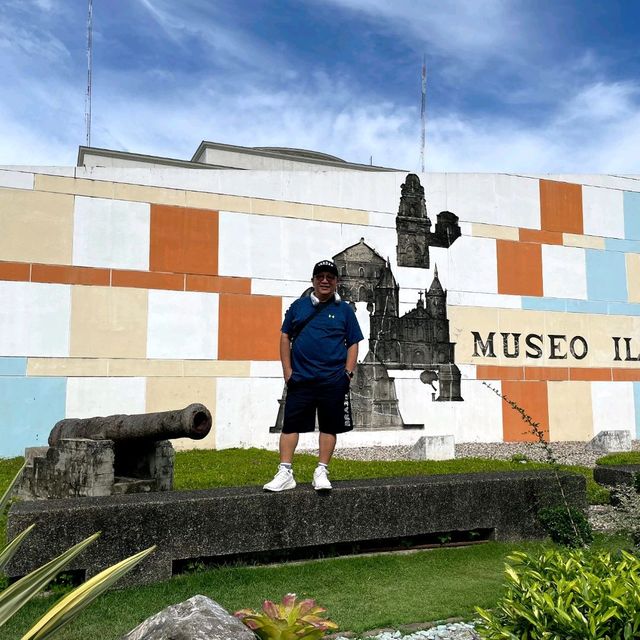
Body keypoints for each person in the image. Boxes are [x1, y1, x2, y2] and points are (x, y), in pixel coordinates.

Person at [264, 259, 364, 492]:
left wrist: (347, 374)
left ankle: (321, 471)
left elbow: (354, 343)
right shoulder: (299, 307)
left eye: (330, 277)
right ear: (313, 280)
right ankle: (285, 472)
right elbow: (285, 336)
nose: (325, 281)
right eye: (320, 277)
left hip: (333, 380)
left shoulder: (345, 311)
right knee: (290, 426)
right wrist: (287, 372)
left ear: (336, 282)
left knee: (329, 427)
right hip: (301, 379)